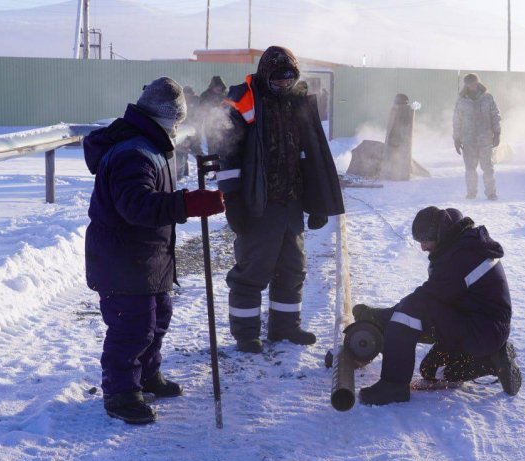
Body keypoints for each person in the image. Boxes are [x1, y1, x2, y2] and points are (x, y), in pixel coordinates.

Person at [84, 77, 226, 424]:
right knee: (132, 328)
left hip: (147, 258)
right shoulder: (134, 152)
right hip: (124, 259)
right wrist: (188, 203)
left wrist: (185, 200)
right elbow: (137, 206)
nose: (179, 128)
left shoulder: (149, 145)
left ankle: (147, 375)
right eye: (178, 121)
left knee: (157, 319)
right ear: (169, 118)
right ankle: (121, 393)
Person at [215, 46, 344, 354]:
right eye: (278, 79)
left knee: (292, 268)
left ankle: (285, 327)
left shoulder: (298, 102)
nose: (284, 84)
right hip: (258, 202)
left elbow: (312, 154)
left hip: (292, 203)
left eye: (289, 78)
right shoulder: (243, 101)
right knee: (252, 271)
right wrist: (232, 201)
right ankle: (246, 334)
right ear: (265, 74)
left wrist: (318, 203)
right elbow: (228, 155)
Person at [355, 206, 521, 406]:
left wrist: (379, 317)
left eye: (425, 241)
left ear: (439, 233)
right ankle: (494, 359)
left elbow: (425, 299)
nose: (423, 248)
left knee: (412, 308)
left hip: (483, 332)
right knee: (431, 370)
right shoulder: (461, 244)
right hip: (475, 322)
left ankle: (393, 386)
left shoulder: (462, 257)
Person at [453, 73, 501, 200]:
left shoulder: (487, 98)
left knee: (488, 168)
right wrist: (456, 139)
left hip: (485, 139)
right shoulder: (462, 101)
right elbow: (457, 120)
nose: (472, 86)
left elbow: (495, 115)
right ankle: (471, 193)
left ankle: (491, 193)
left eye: (474, 83)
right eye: (469, 84)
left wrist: (497, 133)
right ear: (466, 85)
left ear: (478, 83)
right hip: (468, 140)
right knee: (470, 169)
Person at [199, 75, 228, 156]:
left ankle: (223, 163)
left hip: (224, 124)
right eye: (217, 86)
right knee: (211, 145)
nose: (219, 88)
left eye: (220, 87)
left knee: (223, 145)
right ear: (212, 87)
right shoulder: (205, 95)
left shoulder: (225, 95)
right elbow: (201, 110)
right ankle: (213, 163)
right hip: (210, 124)